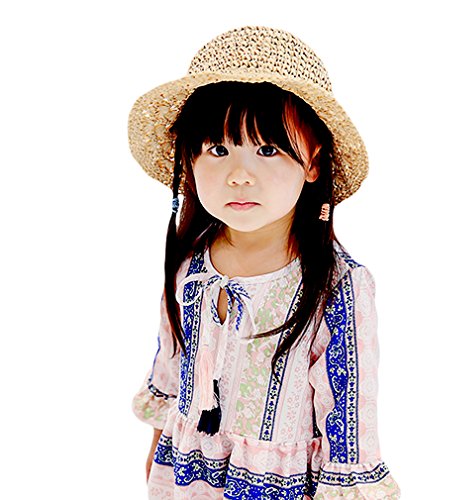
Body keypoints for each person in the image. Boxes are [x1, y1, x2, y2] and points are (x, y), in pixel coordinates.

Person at [128, 25, 401, 499]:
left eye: (268, 150)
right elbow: (173, 361)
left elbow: (350, 412)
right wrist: (157, 445)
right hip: (189, 474)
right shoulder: (192, 265)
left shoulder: (337, 286)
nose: (239, 175)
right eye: (218, 149)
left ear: (313, 163)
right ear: (188, 161)